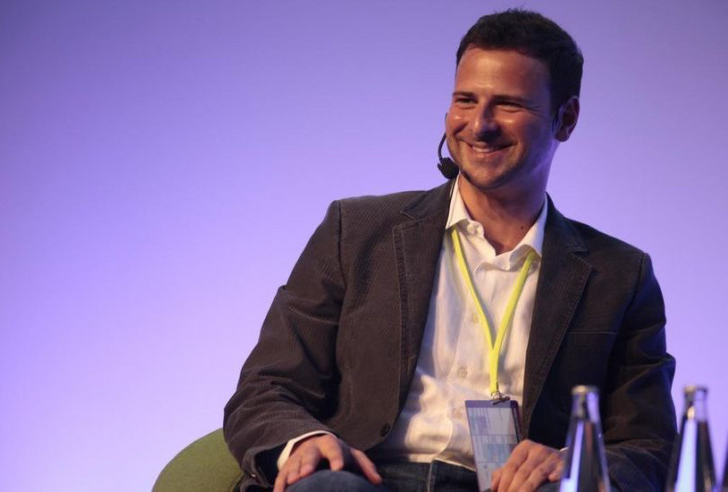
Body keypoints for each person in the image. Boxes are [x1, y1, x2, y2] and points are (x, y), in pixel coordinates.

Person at [224, 9, 676, 492]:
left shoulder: (619, 275)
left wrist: (570, 462)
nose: (479, 125)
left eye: (508, 104)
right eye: (465, 100)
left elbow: (650, 445)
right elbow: (266, 388)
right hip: (366, 479)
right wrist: (305, 440)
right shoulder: (354, 232)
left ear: (565, 119)